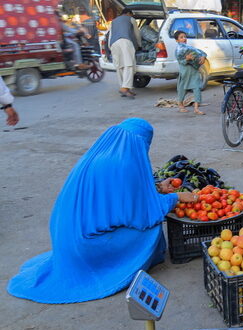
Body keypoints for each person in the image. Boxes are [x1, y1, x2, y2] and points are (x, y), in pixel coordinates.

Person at [7, 118, 198, 303]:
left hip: (65, 238)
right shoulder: (126, 165)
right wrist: (176, 197)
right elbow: (142, 213)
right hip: (84, 248)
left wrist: (157, 188)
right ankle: (118, 266)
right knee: (152, 226)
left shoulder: (100, 155)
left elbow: (119, 197)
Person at [108, 8, 142, 98]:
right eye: (131, 14)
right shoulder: (131, 19)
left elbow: (110, 35)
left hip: (113, 44)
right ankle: (125, 88)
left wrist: (109, 47)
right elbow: (137, 34)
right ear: (128, 13)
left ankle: (123, 87)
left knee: (119, 66)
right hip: (125, 42)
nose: (132, 16)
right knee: (128, 65)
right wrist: (139, 45)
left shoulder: (114, 21)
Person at [174, 31, 207, 115]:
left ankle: (196, 108)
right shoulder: (178, 50)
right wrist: (187, 59)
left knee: (197, 88)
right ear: (177, 40)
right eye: (181, 37)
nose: (184, 38)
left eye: (185, 37)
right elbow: (181, 61)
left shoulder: (190, 48)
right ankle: (181, 105)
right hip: (185, 73)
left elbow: (202, 52)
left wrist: (203, 57)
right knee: (182, 89)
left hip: (194, 72)